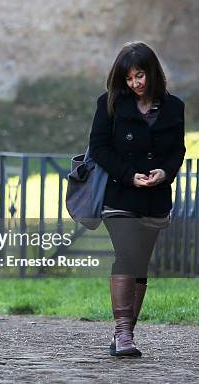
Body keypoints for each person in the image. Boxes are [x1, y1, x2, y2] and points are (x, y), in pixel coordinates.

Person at [89, 41, 185, 357]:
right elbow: (100, 148)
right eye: (129, 79)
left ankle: (126, 334)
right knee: (127, 255)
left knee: (140, 264)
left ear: (152, 73)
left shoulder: (175, 108)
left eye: (140, 76)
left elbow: (177, 151)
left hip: (156, 198)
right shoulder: (109, 104)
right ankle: (123, 333)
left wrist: (164, 172)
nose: (135, 84)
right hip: (119, 195)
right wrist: (129, 175)